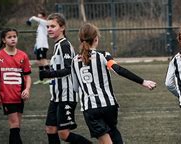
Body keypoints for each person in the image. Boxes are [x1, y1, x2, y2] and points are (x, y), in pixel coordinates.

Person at [72, 23, 157, 143]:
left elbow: (75, 87)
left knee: (105, 140)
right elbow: (118, 70)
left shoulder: (74, 61)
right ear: (96, 39)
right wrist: (143, 81)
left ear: (81, 40)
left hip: (90, 108)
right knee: (112, 133)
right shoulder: (103, 55)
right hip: (109, 105)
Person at [39, 13, 91, 144]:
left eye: (53, 26)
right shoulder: (57, 45)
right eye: (48, 26)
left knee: (63, 133)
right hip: (56, 96)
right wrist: (48, 71)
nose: (49, 29)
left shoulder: (64, 45)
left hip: (66, 96)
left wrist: (47, 74)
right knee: (50, 128)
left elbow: (69, 69)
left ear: (62, 28)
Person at [0, 28, 31, 144]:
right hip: (7, 96)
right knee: (14, 124)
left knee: (16, 127)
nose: (13, 39)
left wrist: (27, 89)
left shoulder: (23, 56)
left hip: (20, 96)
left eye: (14, 36)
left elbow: (27, 76)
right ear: (4, 40)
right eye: (9, 37)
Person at [27, 11, 50, 85]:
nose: (38, 18)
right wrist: (35, 46)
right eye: (38, 16)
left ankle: (51, 78)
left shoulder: (45, 23)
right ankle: (41, 79)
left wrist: (32, 18)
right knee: (39, 63)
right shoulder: (39, 26)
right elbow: (38, 38)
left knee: (44, 61)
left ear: (43, 17)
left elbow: (37, 19)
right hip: (39, 46)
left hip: (43, 46)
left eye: (40, 17)